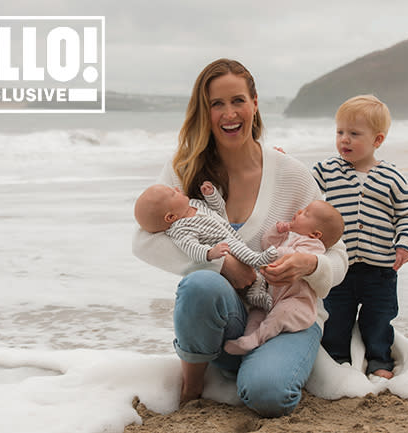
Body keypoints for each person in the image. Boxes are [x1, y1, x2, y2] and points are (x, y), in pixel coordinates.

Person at [132, 58, 348, 417]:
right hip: (226, 321)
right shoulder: (184, 170)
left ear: (255, 103)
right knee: (201, 284)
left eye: (237, 101)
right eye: (217, 103)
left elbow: (338, 257)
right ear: (205, 111)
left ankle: (263, 367)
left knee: (268, 395)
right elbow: (142, 241)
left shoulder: (292, 175)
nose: (229, 114)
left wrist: (307, 264)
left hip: (285, 316)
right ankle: (193, 383)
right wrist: (222, 263)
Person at [312, 94, 408, 380]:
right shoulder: (329, 170)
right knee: (335, 317)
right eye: (340, 132)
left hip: (381, 269)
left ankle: (379, 360)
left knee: (379, 318)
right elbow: (300, 183)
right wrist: (281, 161)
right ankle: (336, 361)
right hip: (340, 266)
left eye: (354, 134)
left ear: (377, 140)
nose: (344, 140)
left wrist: (406, 243)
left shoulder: (391, 176)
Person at [224, 200, 345, 355]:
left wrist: (276, 253)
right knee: (256, 313)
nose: (299, 212)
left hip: (295, 301)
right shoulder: (289, 237)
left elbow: (294, 256)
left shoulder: (314, 245)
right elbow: (267, 244)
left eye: (305, 213)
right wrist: (277, 230)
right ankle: (248, 339)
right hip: (270, 298)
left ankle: (257, 338)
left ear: (315, 234)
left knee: (280, 315)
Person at [133, 181, 276, 310]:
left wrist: (211, 196)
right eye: (173, 193)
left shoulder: (195, 204)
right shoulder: (180, 229)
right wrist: (210, 253)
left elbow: (219, 211)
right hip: (223, 246)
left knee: (257, 279)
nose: (177, 189)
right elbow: (191, 248)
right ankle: (258, 259)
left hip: (233, 239)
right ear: (170, 217)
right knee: (235, 248)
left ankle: (259, 296)